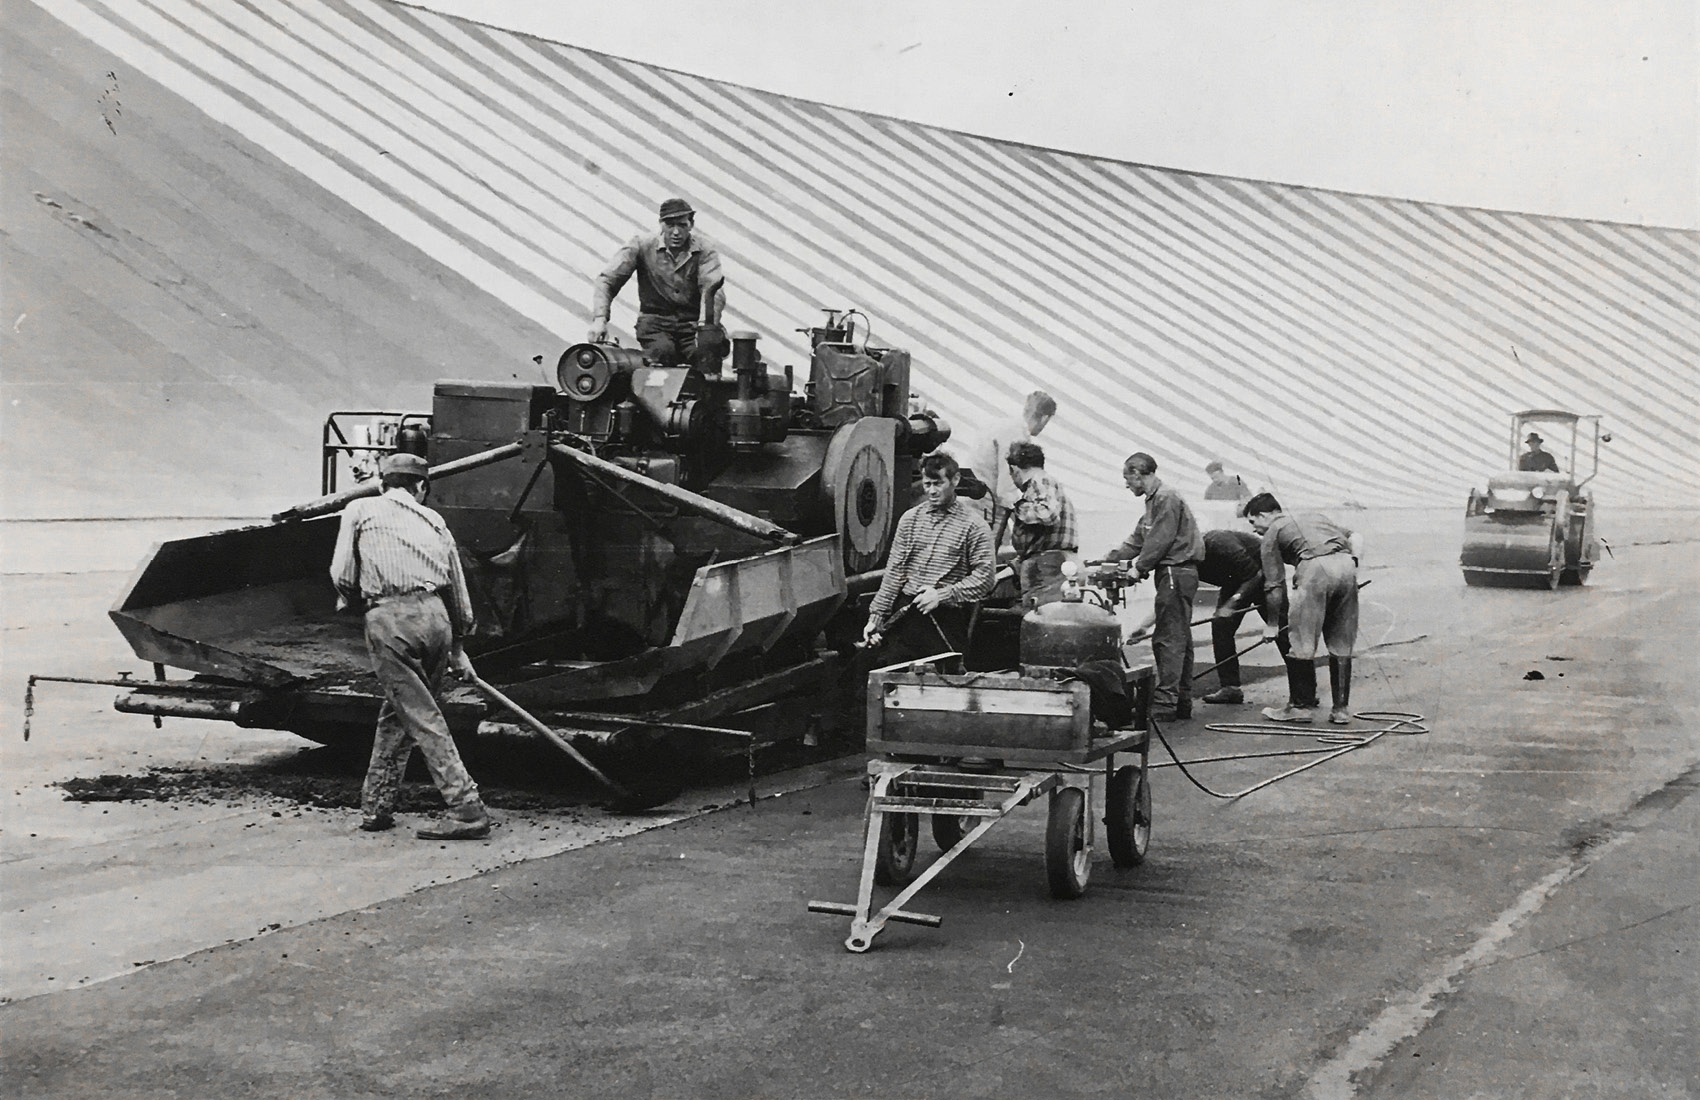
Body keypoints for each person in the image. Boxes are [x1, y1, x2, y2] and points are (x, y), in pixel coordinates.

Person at [330, 453, 492, 840]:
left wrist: (355, 603)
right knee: (400, 711)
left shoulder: (360, 509)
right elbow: (457, 589)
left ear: (381, 484)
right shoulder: (434, 520)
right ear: (421, 487)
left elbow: (342, 574)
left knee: (421, 715)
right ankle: (376, 806)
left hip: (392, 618)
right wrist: (458, 648)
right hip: (437, 619)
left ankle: (466, 807)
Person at [862, 451, 997, 665]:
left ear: (955, 480)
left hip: (945, 619)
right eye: (927, 484)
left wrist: (941, 595)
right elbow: (895, 573)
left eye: (938, 483)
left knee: (943, 680)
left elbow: (985, 579)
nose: (932, 491)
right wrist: (876, 617)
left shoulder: (974, 526)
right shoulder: (910, 520)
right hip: (906, 615)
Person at [1242, 492, 1364, 726]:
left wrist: (1272, 624)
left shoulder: (1273, 531)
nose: (1254, 529)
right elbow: (1356, 536)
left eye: (1253, 521)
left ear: (1265, 515)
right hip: (1346, 565)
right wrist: (1354, 561)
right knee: (1341, 641)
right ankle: (1340, 710)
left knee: (1301, 638)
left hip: (1314, 569)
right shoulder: (1314, 518)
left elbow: (1274, 585)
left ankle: (1300, 707)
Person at [1103, 452, 1205, 721]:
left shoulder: (1166, 498)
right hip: (1173, 573)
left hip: (1175, 572)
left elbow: (1160, 540)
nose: (1126, 484)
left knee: (1168, 638)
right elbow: (1137, 540)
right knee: (1180, 637)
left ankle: (1165, 703)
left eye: (1127, 478)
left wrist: (1138, 568)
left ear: (1138, 474)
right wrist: (1106, 560)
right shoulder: (1154, 502)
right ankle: (1181, 700)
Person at [588, 197, 726, 366]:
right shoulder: (641, 245)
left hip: (693, 325)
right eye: (670, 225)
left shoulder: (705, 249)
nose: (676, 232)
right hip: (655, 325)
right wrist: (600, 319)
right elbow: (607, 280)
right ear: (661, 224)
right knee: (662, 355)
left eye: (682, 225)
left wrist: (706, 328)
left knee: (706, 358)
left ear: (691, 224)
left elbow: (713, 290)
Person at [1197, 528, 1290, 705]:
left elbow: (1255, 575)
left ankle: (1304, 693)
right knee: (1221, 625)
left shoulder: (1218, 542)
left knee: (1282, 630)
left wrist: (1232, 603)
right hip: (1236, 579)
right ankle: (1230, 688)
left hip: (1264, 574)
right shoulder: (1186, 558)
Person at [960, 391, 1057, 538]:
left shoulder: (1004, 425)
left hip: (974, 502)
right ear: (1045, 418)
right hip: (984, 507)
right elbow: (1006, 491)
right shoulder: (1016, 436)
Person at [1004, 441, 1079, 608]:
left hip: (1048, 568)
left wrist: (1016, 505)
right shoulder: (1042, 488)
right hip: (1049, 565)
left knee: (1043, 616)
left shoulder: (1040, 481)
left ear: (1014, 469)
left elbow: (1048, 514)